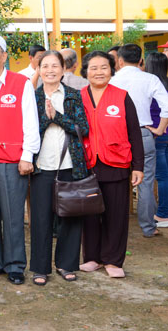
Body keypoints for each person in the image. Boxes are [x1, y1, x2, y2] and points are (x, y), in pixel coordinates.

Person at [0, 34, 40, 285]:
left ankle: (14, 264)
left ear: (4, 56)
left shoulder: (20, 83)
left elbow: (31, 121)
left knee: (12, 213)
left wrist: (28, 155)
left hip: (12, 157)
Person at [79, 51, 144, 278]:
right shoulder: (78, 97)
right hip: (87, 164)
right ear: (86, 71)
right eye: (94, 68)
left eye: (104, 67)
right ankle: (92, 257)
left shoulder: (122, 96)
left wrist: (138, 166)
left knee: (116, 215)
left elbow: (135, 133)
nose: (99, 72)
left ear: (112, 70)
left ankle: (113, 260)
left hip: (116, 164)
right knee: (89, 214)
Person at [30, 50, 90, 286]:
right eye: (45, 66)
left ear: (64, 69)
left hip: (70, 165)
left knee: (70, 216)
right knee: (40, 219)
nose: (50, 70)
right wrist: (48, 118)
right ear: (38, 69)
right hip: (42, 166)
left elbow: (82, 128)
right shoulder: (32, 96)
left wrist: (58, 117)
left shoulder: (73, 95)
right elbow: (29, 130)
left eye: (55, 66)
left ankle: (66, 264)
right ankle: (40, 267)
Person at [109, 44, 168, 238]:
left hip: (116, 136)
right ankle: (148, 227)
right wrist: (160, 129)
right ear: (141, 60)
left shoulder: (112, 80)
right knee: (146, 182)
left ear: (119, 61)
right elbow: (166, 105)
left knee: (114, 183)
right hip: (143, 133)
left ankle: (114, 227)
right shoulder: (150, 79)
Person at [146, 52, 168, 228]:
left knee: (161, 176)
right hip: (166, 134)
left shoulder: (150, 84)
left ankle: (162, 214)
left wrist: (156, 129)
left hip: (156, 133)